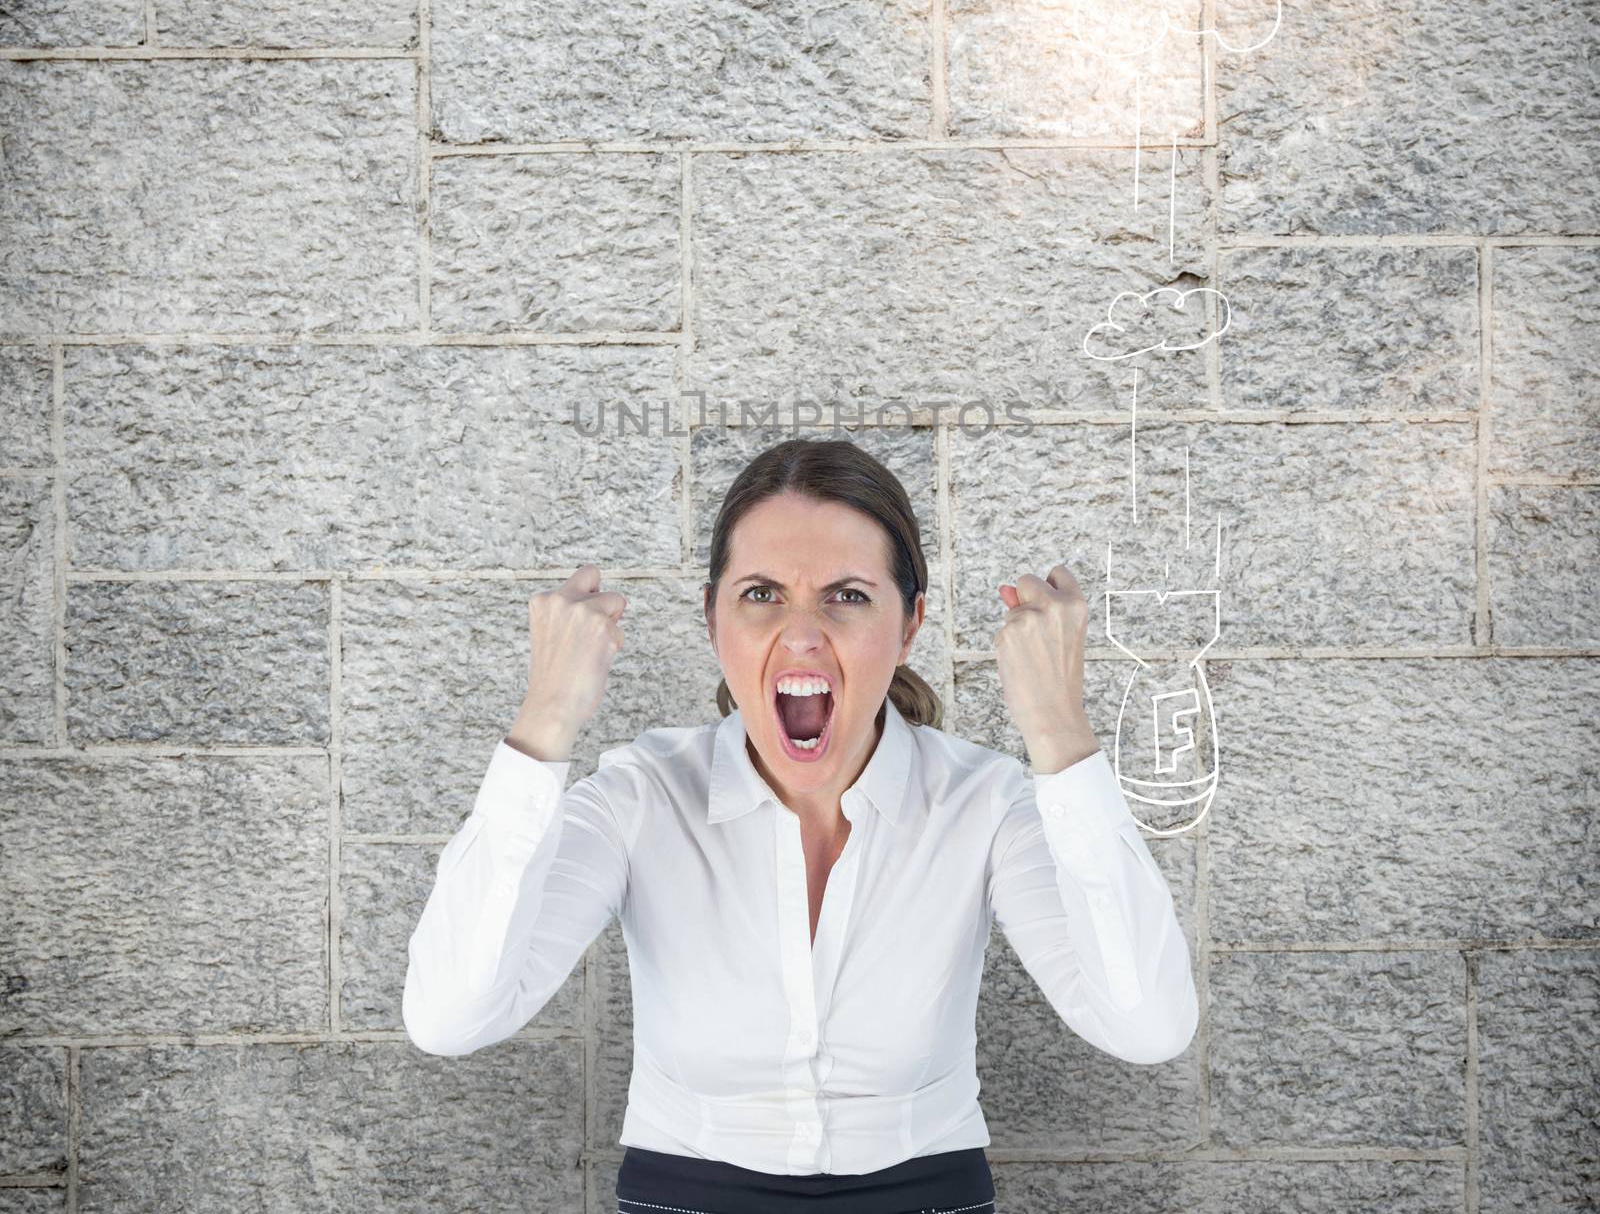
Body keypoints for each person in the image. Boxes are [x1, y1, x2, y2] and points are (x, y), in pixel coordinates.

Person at [404, 436, 1198, 1213]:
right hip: (684, 1198)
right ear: (712, 619)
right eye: (761, 593)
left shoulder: (983, 803)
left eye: (848, 595)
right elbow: (449, 1016)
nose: (804, 633)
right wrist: (545, 720)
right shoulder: (642, 797)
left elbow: (1147, 1024)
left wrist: (1059, 731)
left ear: (910, 622)